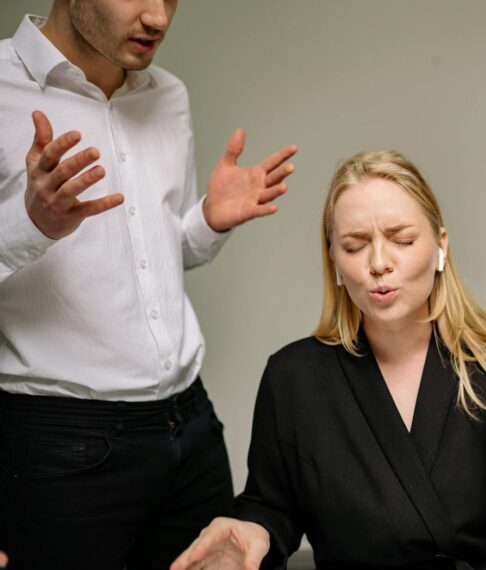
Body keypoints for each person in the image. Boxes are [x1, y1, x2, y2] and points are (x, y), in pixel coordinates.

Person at [170, 150, 486, 570]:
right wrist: (253, 529)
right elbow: (272, 505)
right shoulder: (294, 378)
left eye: (403, 241)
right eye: (354, 247)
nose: (378, 264)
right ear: (334, 260)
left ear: (441, 246)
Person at [0, 1, 296, 568]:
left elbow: (150, 262)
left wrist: (206, 222)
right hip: (59, 446)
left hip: (189, 426)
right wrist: (30, 224)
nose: (158, 17)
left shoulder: (169, 96)